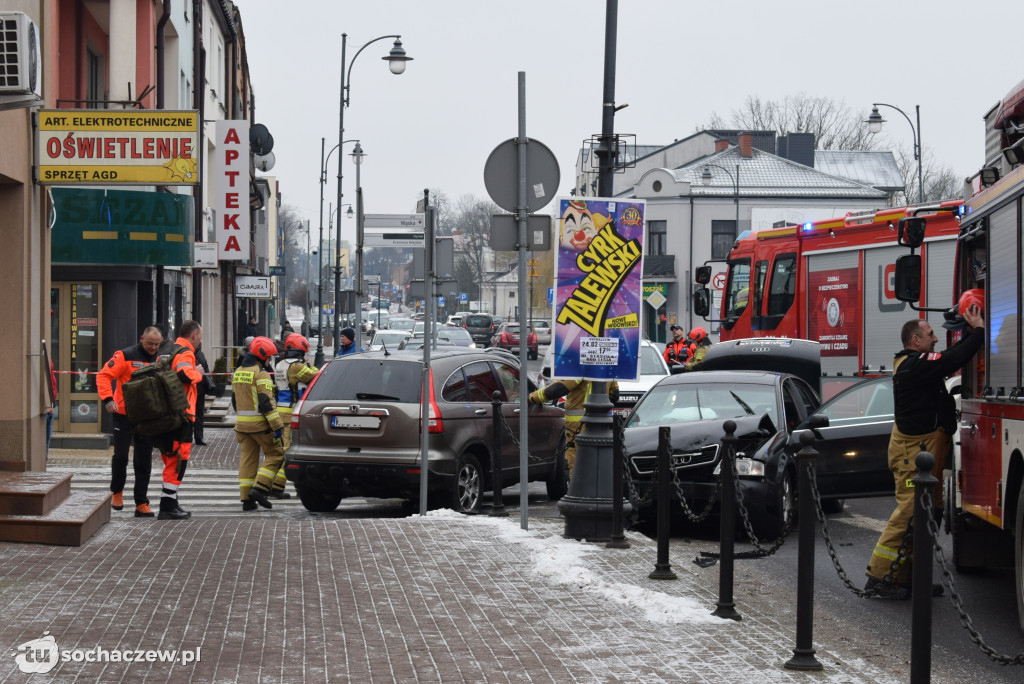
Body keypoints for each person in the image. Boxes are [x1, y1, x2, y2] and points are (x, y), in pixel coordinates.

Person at [864, 302, 984, 599]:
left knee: (931, 512)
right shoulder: (913, 365)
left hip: (924, 452)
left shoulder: (915, 365)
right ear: (915, 341)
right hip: (913, 455)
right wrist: (978, 332)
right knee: (910, 513)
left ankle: (910, 577)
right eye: (930, 334)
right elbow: (950, 359)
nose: (935, 338)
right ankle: (880, 576)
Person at [96, 326, 164, 518]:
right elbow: (104, 375)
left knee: (144, 460)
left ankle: (141, 502)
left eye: (157, 344)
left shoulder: (161, 359)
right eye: (150, 343)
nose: (153, 348)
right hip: (123, 414)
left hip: (147, 416)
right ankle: (116, 492)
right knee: (121, 456)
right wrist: (108, 399)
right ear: (141, 338)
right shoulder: (124, 355)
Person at [157, 320, 204, 520]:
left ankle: (170, 501)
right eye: (200, 337)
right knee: (178, 460)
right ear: (194, 335)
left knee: (173, 458)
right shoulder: (185, 352)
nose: (200, 340)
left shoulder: (168, 350)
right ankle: (167, 505)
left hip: (170, 414)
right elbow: (185, 374)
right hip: (182, 415)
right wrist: (198, 374)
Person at [232, 336, 285, 511]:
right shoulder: (260, 374)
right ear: (262, 356)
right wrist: (277, 426)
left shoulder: (238, 371)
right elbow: (266, 402)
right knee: (276, 455)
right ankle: (260, 489)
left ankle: (247, 500)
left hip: (242, 427)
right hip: (260, 427)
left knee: (248, 461)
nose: (270, 360)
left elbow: (234, 400)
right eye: (269, 357)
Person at [527, 378, 619, 478]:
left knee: (576, 462)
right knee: (598, 460)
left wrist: (532, 397)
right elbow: (614, 394)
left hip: (577, 426)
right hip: (600, 424)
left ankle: (578, 491)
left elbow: (560, 388)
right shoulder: (607, 368)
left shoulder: (579, 367)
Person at [272, 333, 319, 497]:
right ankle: (277, 486)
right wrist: (309, 365)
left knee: (282, 449)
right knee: (289, 451)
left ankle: (285, 485)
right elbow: (316, 375)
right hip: (291, 411)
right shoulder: (297, 367)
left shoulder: (280, 364)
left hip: (280, 409)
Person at [192, 344, 212, 446]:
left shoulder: (200, 354)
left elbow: (206, 369)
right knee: (189, 415)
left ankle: (199, 437)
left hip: (200, 389)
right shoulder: (187, 354)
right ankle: (187, 437)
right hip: (190, 389)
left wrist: (208, 383)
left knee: (199, 414)